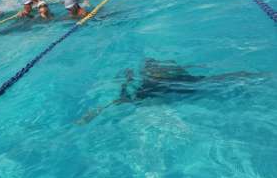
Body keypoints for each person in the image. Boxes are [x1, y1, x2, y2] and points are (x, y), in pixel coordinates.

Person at [77, 59, 262, 123]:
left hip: (163, 89)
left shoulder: (146, 80)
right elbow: (182, 70)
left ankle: (247, 81)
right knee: (215, 82)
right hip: (180, 84)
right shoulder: (167, 68)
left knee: (128, 100)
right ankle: (253, 77)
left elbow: (121, 99)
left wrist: (127, 80)